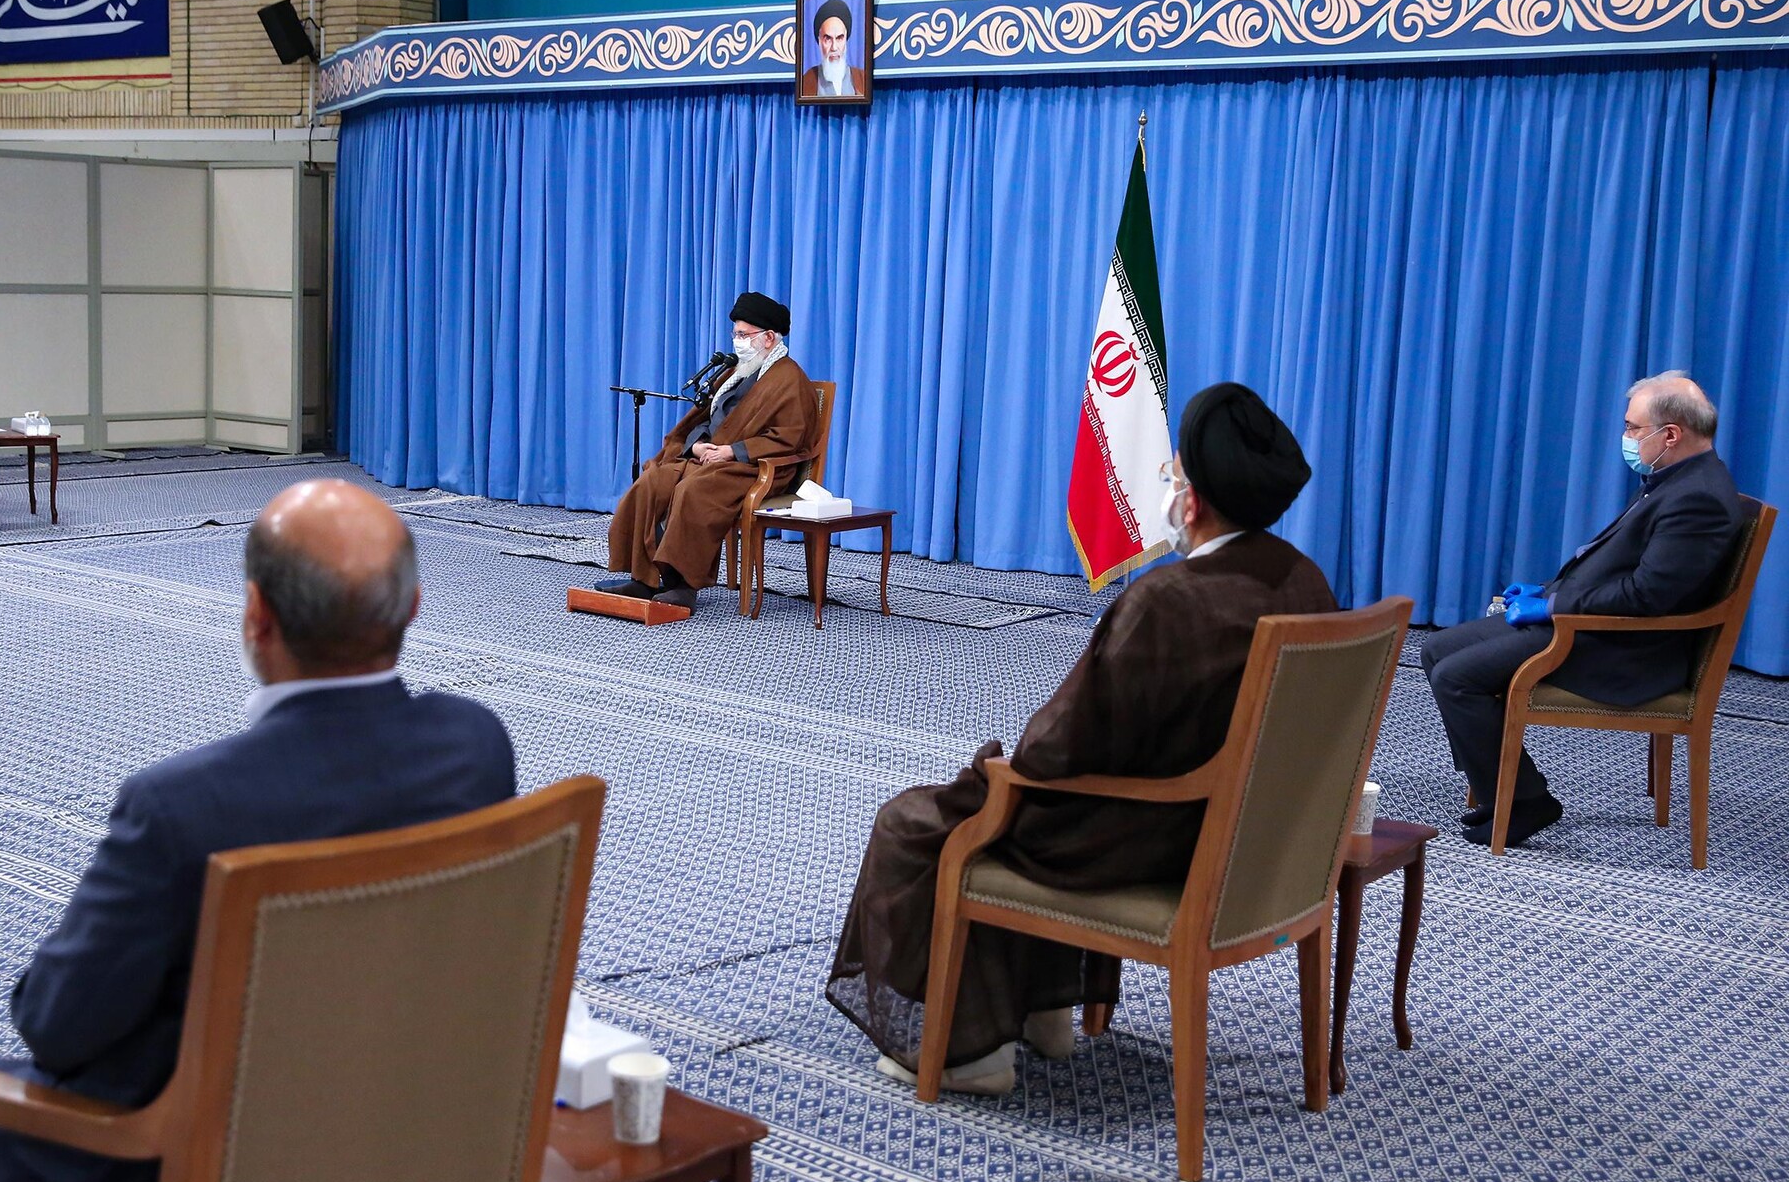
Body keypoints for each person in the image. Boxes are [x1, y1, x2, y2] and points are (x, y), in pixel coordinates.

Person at [0, 479, 517, 1182]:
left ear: (256, 615)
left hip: (201, 1179)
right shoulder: (476, 745)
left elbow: (57, 1028)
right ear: (413, 607)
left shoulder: (181, 807)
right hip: (410, 1135)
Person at [828, 384, 1336, 1094]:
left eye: (1173, 473)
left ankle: (969, 1052)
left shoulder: (1170, 601)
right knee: (1016, 805)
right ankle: (1042, 1009)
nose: (1169, 485)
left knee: (926, 822)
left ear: (1192, 503)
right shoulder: (1303, 580)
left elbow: (1058, 748)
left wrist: (1000, 769)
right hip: (1257, 839)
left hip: (1155, 840)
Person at [1420, 371, 1741, 848]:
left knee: (1456, 677)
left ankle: (1526, 802)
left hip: (1623, 648)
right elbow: (1618, 564)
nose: (1626, 437)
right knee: (1435, 649)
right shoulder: (1675, 478)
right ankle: (1496, 781)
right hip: (1592, 624)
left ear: (1670, 435)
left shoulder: (1698, 498)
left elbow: (1647, 596)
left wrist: (1553, 605)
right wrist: (1548, 589)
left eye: (1633, 428)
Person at [602, 291, 818, 610]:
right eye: (736, 335)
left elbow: (789, 438)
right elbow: (707, 418)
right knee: (653, 482)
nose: (738, 342)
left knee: (693, 490)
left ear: (770, 337)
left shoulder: (790, 379)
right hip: (711, 458)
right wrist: (697, 444)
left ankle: (683, 585)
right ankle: (644, 577)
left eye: (744, 335)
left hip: (754, 466)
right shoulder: (736, 372)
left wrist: (732, 451)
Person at [798, 0, 867, 98]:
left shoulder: (862, 79)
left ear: (846, 39)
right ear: (819, 41)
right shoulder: (806, 82)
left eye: (839, 38)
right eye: (828, 39)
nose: (834, 47)